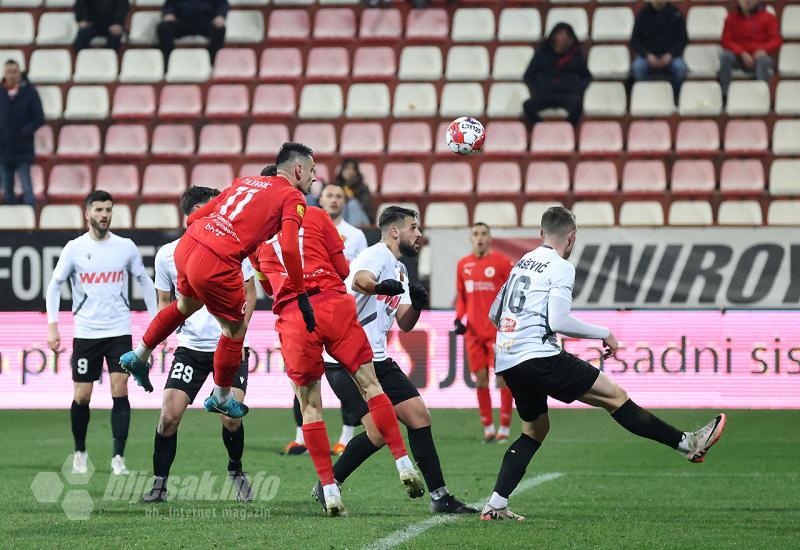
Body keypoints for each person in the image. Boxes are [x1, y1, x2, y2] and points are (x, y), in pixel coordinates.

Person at [480, 206, 727, 521]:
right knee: (615, 396)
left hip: (509, 358)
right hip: (538, 355)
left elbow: (493, 313)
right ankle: (688, 444)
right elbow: (558, 320)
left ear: (541, 234)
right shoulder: (560, 267)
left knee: (535, 429)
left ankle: (496, 505)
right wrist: (605, 333)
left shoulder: (520, 264)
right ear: (572, 237)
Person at [120, 142, 316, 421]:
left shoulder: (246, 181)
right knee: (235, 329)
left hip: (188, 246)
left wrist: (203, 236)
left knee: (185, 305)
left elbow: (198, 215)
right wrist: (301, 294)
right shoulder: (293, 197)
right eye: (312, 170)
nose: (314, 177)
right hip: (217, 260)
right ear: (298, 169)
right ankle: (222, 397)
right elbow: (287, 248)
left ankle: (139, 356)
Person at [251, 205, 424, 517]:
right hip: (332, 304)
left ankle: (329, 490)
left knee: (310, 407)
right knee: (372, 386)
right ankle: (403, 462)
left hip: (293, 312)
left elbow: (266, 286)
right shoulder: (316, 216)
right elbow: (343, 268)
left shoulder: (257, 235)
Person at [310, 206, 478, 515]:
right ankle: (328, 483)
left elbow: (404, 322)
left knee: (419, 416)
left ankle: (440, 496)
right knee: (377, 433)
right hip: (348, 361)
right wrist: (377, 286)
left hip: (378, 360)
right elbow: (360, 279)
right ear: (395, 231)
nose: (419, 234)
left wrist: (418, 305)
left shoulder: (400, 268)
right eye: (414, 228)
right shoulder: (376, 256)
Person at [143, 186, 257, 503]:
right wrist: (165, 334)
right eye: (212, 208)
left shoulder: (236, 245)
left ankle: (235, 469)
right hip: (190, 350)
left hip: (228, 344)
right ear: (193, 213)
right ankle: (159, 486)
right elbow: (165, 301)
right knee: (168, 417)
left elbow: (250, 291)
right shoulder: (168, 254)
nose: (219, 214)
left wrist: (239, 332)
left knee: (231, 418)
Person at [45, 190, 157, 476]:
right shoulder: (74, 249)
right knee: (82, 396)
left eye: (108, 209)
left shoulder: (125, 247)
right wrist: (53, 325)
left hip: (119, 331)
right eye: (99, 210)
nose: (104, 215)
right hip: (86, 333)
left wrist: (157, 321)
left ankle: (118, 458)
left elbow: (144, 282)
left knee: (120, 389)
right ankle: (80, 453)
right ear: (87, 213)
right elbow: (55, 285)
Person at [282, 181, 369, 456]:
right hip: (305, 309)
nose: (334, 200)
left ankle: (346, 436)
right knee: (302, 375)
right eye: (329, 195)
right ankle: (301, 437)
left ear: (344, 202)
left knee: (346, 377)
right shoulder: (301, 224)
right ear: (321, 198)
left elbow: (358, 272)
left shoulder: (355, 236)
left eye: (339, 196)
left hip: (339, 310)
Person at [454, 223, 514, 443]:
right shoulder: (463, 264)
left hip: (497, 333)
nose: (479, 238)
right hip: (473, 333)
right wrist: (458, 319)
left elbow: (511, 295)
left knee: (502, 380)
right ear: (471, 238)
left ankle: (505, 427)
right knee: (480, 380)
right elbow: (461, 296)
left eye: (483, 234)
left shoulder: (501, 262)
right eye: (476, 234)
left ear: (490, 238)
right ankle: (488, 427)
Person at [522, 22, 591, 128]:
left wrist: (576, 87)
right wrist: (538, 88)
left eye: (566, 35)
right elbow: (528, 76)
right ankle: (541, 128)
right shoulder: (542, 53)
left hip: (566, 95)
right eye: (560, 34)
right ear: (554, 36)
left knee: (577, 106)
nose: (563, 38)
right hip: (545, 95)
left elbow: (586, 77)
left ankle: (567, 129)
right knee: (528, 106)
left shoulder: (575, 55)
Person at [0, 59, 43, 208]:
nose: (11, 75)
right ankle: (10, 224)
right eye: (8, 72)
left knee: (27, 187)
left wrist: (25, 131)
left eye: (14, 72)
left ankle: (30, 223)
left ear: (19, 73)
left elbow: (39, 117)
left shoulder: (30, 93)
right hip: (4, 149)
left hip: (23, 147)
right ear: (4, 73)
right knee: (7, 188)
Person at [719, 0, 782, 97]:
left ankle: (761, 96)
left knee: (764, 61)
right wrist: (741, 53)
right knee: (725, 56)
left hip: (760, 58)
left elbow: (776, 40)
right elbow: (726, 40)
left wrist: (763, 50)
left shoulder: (768, 18)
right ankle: (725, 96)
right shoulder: (731, 18)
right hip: (739, 58)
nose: (747, 1)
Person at [630, 0, 689, 99]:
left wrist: (670, 55)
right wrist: (647, 55)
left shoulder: (676, 13)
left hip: (671, 58)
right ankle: (646, 96)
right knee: (638, 67)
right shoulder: (642, 14)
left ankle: (675, 97)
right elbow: (634, 41)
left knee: (681, 68)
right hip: (647, 58)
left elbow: (683, 40)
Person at [157, 0, 228, 65]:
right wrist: (169, 13)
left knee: (220, 29)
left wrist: (220, 15)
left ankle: (212, 63)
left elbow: (222, 3)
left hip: (205, 23)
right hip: (182, 23)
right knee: (163, 28)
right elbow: (169, 3)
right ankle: (168, 62)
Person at [334, 158, 373, 226]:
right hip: (342, 218)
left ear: (356, 171)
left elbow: (366, 207)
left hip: (361, 220)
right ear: (342, 171)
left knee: (353, 204)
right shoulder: (335, 187)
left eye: (353, 169)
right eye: (346, 168)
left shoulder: (362, 187)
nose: (350, 171)